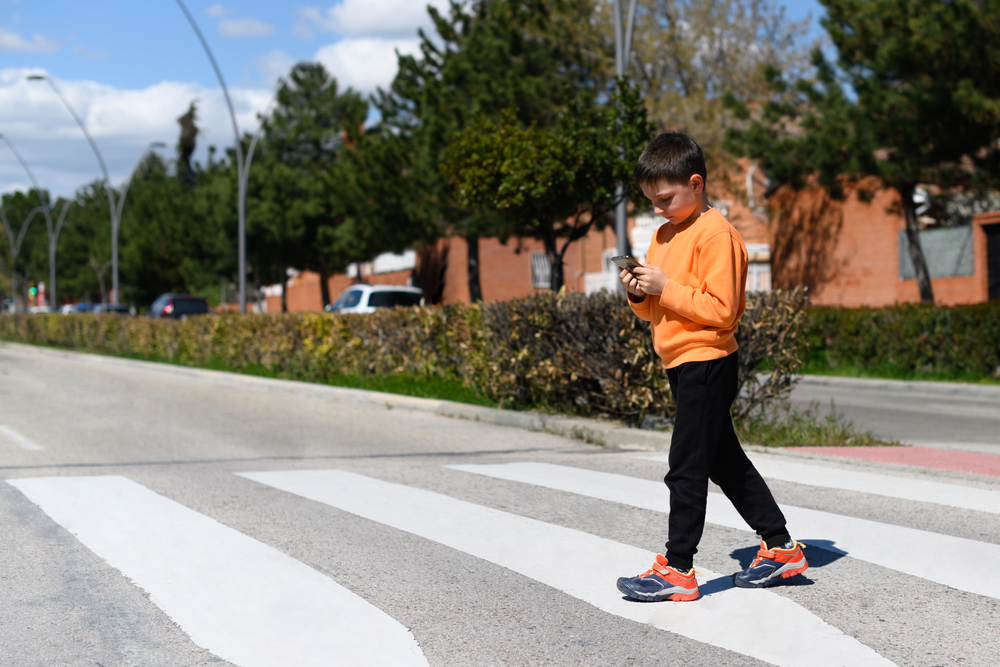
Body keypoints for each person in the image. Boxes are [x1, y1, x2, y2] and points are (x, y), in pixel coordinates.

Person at [615, 133, 808, 602]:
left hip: (709, 359)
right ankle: (782, 547)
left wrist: (666, 285)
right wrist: (640, 291)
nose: (658, 209)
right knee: (724, 461)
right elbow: (655, 309)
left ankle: (678, 568)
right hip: (679, 361)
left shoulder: (716, 233)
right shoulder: (663, 236)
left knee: (686, 465)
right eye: (651, 201)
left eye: (665, 198)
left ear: (695, 183)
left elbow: (724, 311)